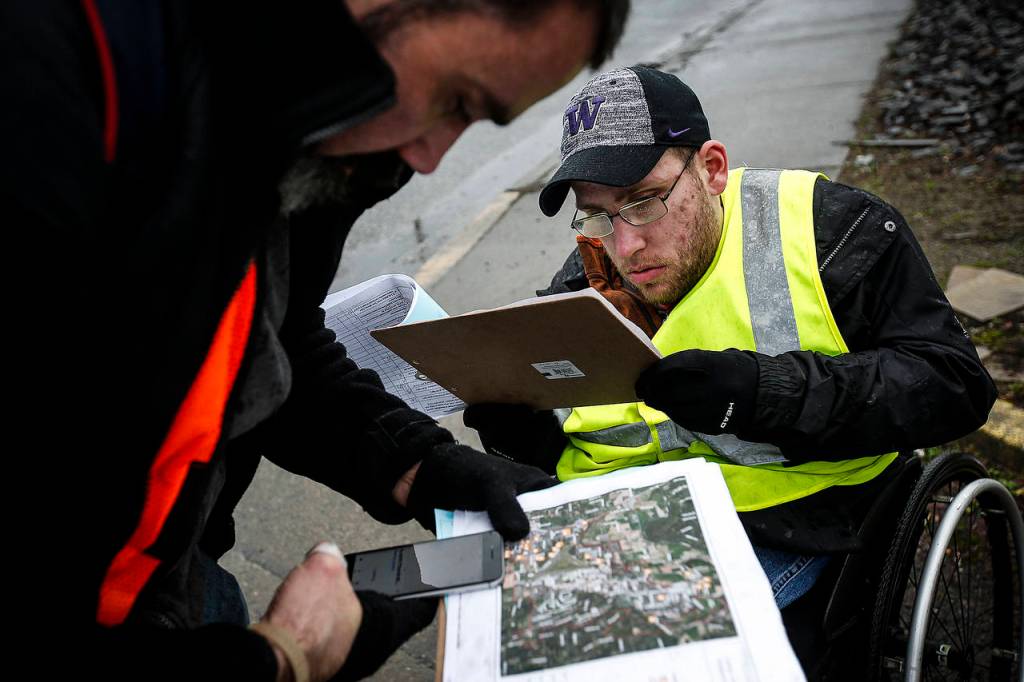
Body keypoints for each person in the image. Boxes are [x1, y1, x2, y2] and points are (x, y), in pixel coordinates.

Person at [2, 1, 629, 680]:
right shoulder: (56, 79)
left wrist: (417, 466)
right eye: (454, 99)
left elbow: (275, 342)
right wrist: (280, 658)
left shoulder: (327, 127)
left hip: (177, 574)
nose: (427, 159)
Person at [463, 65, 997, 677]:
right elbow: (578, 427)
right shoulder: (589, 275)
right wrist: (515, 423)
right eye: (598, 214)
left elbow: (954, 383)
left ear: (712, 169)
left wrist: (762, 392)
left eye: (643, 201)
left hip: (796, 523)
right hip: (626, 527)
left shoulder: (829, 232)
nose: (625, 244)